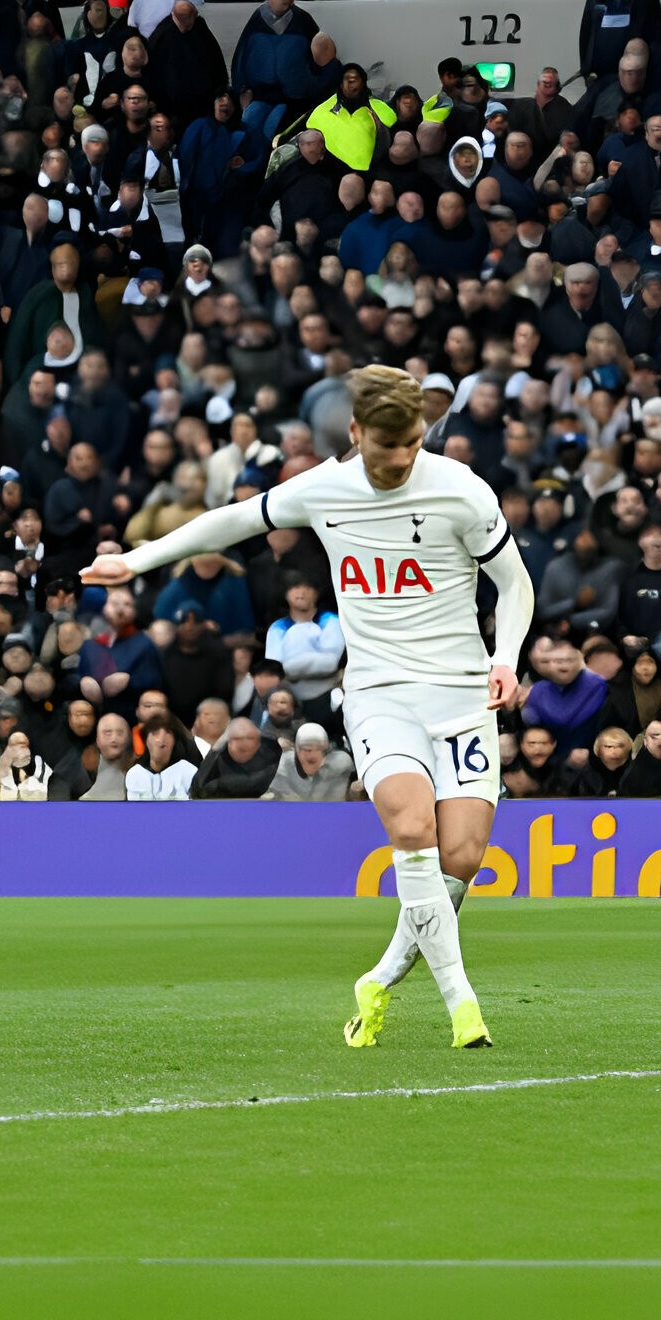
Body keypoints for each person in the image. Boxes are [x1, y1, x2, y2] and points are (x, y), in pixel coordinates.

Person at [88, 366, 534, 1051]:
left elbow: (514, 584)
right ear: (357, 434)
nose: (402, 459)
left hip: (461, 693)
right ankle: (461, 1004)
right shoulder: (325, 488)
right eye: (388, 447)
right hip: (381, 695)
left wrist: (505, 658)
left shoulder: (460, 490)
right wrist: (137, 561)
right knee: (412, 829)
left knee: (464, 856)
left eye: (413, 443)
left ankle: (379, 981)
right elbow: (230, 521)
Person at [270, 721, 357, 800]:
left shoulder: (340, 766)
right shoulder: (282, 766)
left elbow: (336, 805)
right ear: (297, 751)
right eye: (306, 749)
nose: (311, 754)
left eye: (317, 748)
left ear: (325, 752)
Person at [126, 721, 198, 799]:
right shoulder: (135, 773)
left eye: (168, 732)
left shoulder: (188, 771)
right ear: (146, 740)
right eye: (155, 733)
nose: (160, 739)